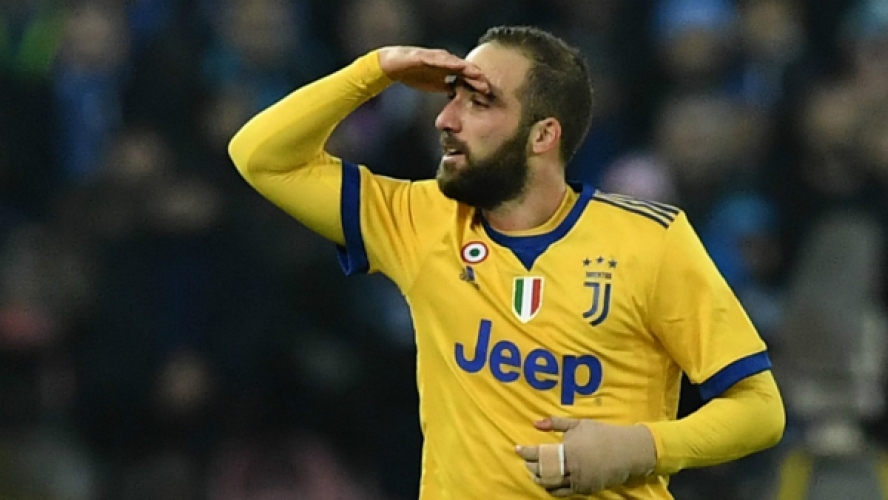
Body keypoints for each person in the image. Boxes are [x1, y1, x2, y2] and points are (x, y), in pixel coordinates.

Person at [228, 25, 785, 499]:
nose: (446, 119)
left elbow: (759, 409)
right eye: (451, 98)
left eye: (479, 103)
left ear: (542, 135)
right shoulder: (420, 220)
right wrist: (376, 70)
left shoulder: (651, 241)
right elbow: (261, 157)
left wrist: (641, 446)